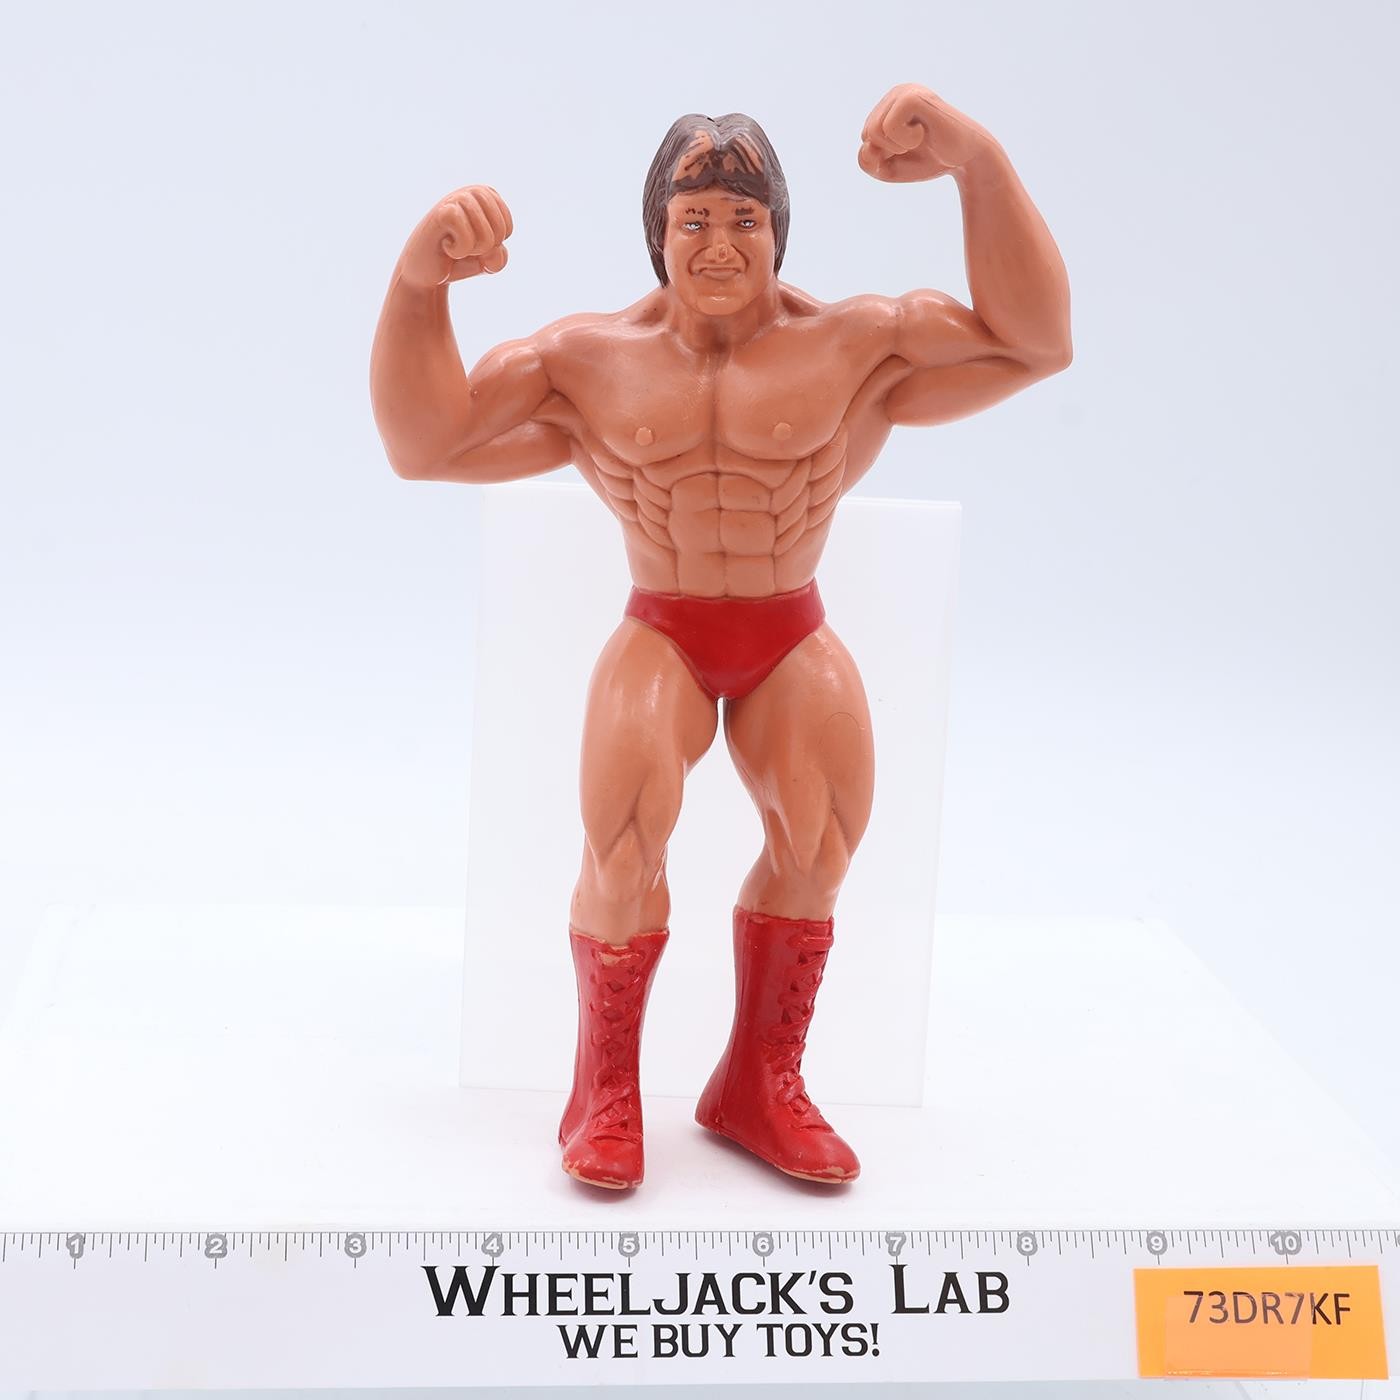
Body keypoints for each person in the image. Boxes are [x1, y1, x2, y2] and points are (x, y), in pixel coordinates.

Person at [371, 83, 1071, 1189]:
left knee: (821, 840)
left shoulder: (859, 343)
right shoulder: (585, 360)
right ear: (656, 233)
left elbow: (1034, 343)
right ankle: (602, 1089)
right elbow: (426, 444)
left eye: (744, 219)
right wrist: (418, 288)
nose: (718, 242)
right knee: (622, 839)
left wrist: (974, 162)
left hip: (789, 626)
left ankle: (757, 1083)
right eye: (692, 217)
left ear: (778, 234)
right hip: (664, 626)